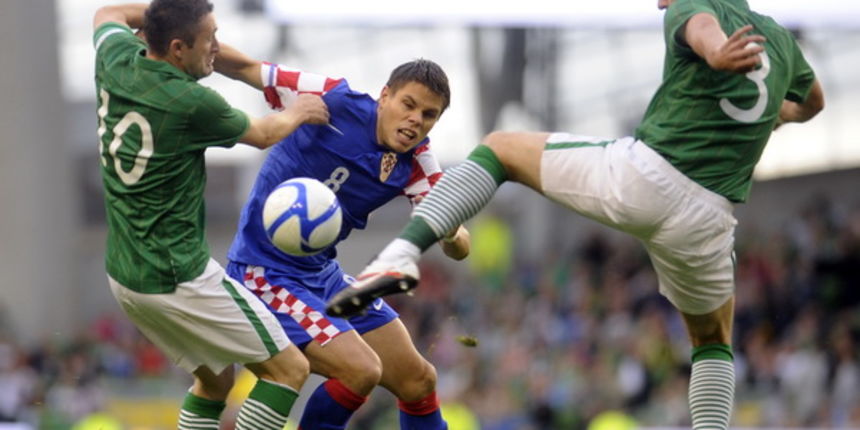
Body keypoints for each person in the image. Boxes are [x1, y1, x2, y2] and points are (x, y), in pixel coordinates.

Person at [327, 1, 825, 429]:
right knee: (713, 342)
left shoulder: (693, 6)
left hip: (648, 177)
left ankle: (401, 255)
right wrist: (783, 113)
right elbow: (814, 102)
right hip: (709, 217)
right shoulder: (782, 43)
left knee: (500, 150)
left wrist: (716, 53)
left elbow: (705, 35)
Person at [93, 2, 330, 429]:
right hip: (177, 276)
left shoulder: (114, 58)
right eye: (210, 39)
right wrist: (301, 110)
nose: (217, 48)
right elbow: (262, 134)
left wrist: (165, 12)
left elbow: (106, 14)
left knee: (216, 382)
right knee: (290, 370)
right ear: (179, 48)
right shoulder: (188, 101)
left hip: (125, 275)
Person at [225, 59, 470, 429]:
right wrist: (193, 50)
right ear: (384, 96)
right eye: (408, 104)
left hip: (322, 275)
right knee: (361, 370)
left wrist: (449, 229)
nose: (416, 119)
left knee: (418, 381)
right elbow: (246, 67)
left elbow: (461, 246)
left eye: (429, 114)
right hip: (264, 274)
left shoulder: (418, 161)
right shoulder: (332, 97)